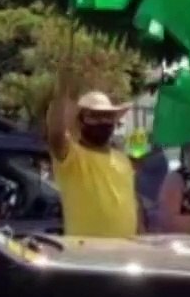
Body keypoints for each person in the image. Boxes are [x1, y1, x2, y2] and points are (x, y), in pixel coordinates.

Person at [46, 76, 143, 238]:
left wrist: (141, 235)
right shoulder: (73, 157)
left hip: (125, 249)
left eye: (107, 116)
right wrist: (63, 89)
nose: (102, 121)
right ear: (80, 122)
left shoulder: (123, 160)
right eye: (94, 116)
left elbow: (132, 203)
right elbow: (56, 134)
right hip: (86, 251)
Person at [133, 144, 169, 230]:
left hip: (149, 198)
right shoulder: (153, 158)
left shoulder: (159, 158)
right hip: (146, 197)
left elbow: (138, 163)